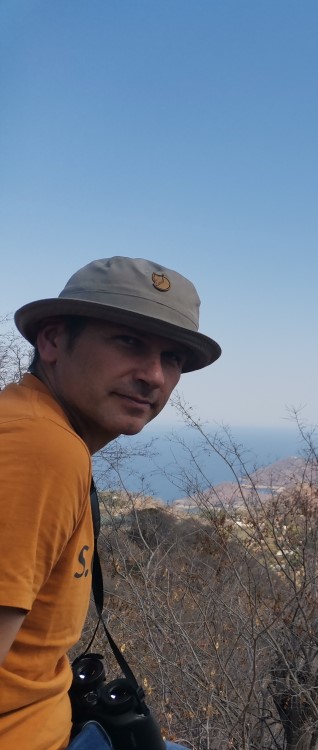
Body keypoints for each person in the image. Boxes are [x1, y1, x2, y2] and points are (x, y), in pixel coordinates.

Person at [0, 257, 221, 749]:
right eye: (128, 341)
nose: (154, 375)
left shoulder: (35, 426)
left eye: (172, 357)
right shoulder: (39, 447)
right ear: (52, 340)